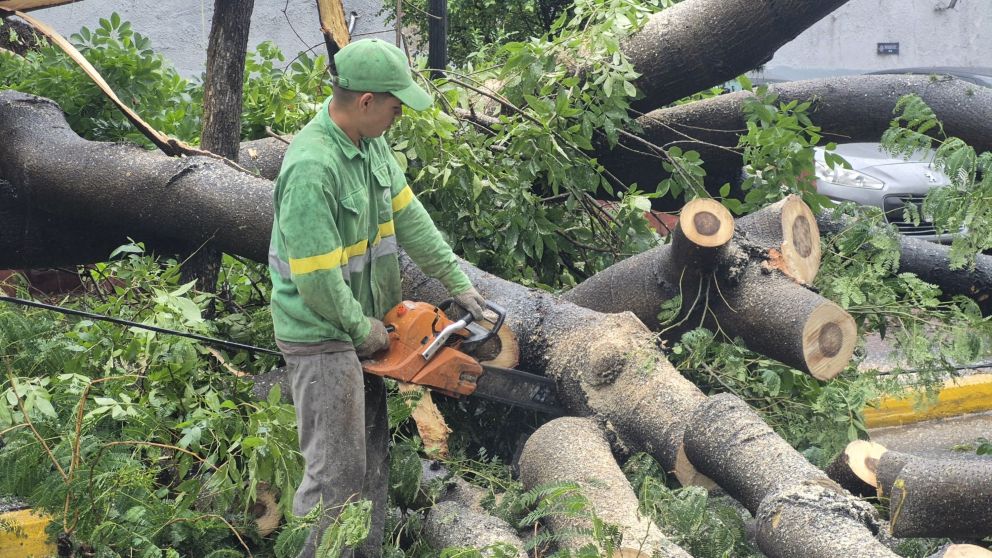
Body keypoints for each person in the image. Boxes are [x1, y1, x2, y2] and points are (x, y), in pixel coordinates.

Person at [267, 38, 486, 558]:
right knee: (333, 479)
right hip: (324, 336)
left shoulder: (371, 147)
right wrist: (361, 330)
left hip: (365, 329)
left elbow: (411, 219)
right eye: (394, 106)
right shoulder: (311, 168)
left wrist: (460, 284)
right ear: (366, 101)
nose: (398, 116)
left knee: (370, 465)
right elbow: (318, 281)